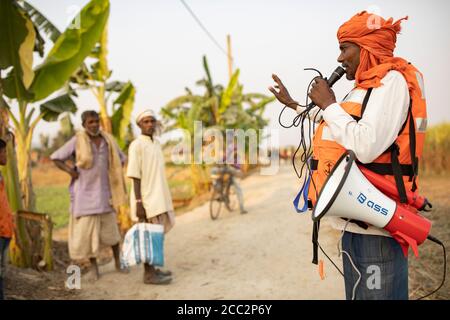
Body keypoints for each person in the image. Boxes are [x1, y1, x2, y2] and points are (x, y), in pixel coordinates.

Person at [269, 11, 427, 300]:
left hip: (376, 226)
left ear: (366, 47)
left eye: (344, 48)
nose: (340, 59)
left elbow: (364, 145)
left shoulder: (391, 83)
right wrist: (293, 104)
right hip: (354, 222)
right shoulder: (363, 88)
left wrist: (329, 103)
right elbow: (337, 125)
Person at [51, 111, 129, 280]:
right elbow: (56, 158)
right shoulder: (77, 141)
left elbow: (122, 158)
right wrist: (70, 171)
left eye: (96, 121)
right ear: (84, 125)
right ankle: (94, 270)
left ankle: (118, 263)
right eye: (90, 122)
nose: (94, 125)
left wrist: (113, 172)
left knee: (112, 233)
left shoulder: (108, 140)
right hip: (84, 196)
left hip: (105, 194)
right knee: (88, 237)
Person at [127, 110, 175, 285]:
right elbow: (135, 176)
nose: (149, 124)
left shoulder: (156, 144)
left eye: (151, 121)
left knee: (156, 236)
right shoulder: (136, 145)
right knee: (147, 236)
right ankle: (148, 275)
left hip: (159, 198)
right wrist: (139, 203)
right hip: (146, 199)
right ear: (139, 125)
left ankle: (154, 270)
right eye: (145, 121)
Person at [0, 138, 14, 300]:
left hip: (5, 230)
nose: (6, 156)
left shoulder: (1, 176)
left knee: (2, 272)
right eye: (3, 152)